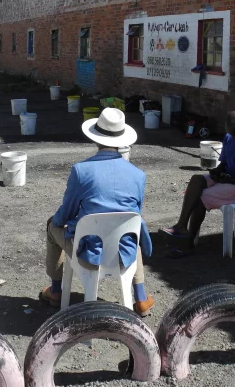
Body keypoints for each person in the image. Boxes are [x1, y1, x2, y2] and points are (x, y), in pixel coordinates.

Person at [39, 108, 155, 316]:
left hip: (90, 254)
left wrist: (58, 221)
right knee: (130, 229)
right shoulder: (138, 175)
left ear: (96, 138)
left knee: (51, 226)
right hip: (122, 253)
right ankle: (141, 297)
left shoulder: (81, 170)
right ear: (121, 139)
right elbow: (135, 212)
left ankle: (56, 291)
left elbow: (66, 213)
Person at [160, 111, 235, 257]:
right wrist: (216, 171)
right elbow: (224, 163)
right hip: (229, 179)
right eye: (231, 135)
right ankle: (181, 225)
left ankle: (188, 246)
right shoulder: (229, 136)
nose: (234, 138)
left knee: (201, 197)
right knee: (196, 180)